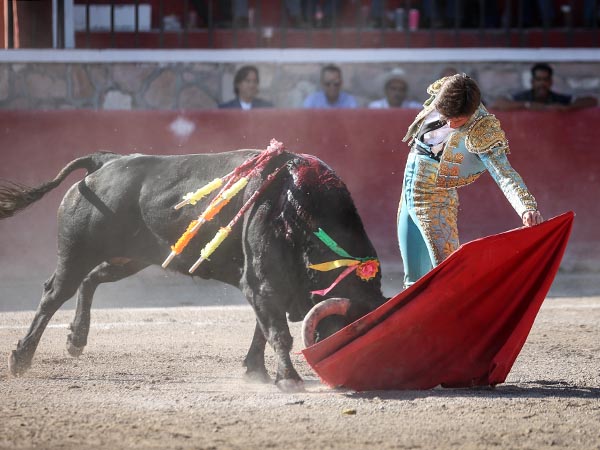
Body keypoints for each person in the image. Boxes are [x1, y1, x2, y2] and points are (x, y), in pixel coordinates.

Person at [398, 73, 543, 288]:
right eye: (446, 116)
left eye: (457, 120)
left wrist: (526, 207)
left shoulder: (482, 127)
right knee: (412, 280)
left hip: (435, 202)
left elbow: (504, 173)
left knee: (449, 276)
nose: (451, 124)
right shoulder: (445, 93)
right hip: (407, 194)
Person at [491, 63, 598, 111]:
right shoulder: (523, 97)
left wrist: (567, 108)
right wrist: (527, 105)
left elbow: (592, 101)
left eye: (545, 80)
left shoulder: (558, 99)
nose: (542, 84)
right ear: (532, 82)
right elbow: (498, 103)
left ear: (550, 82)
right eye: (538, 80)